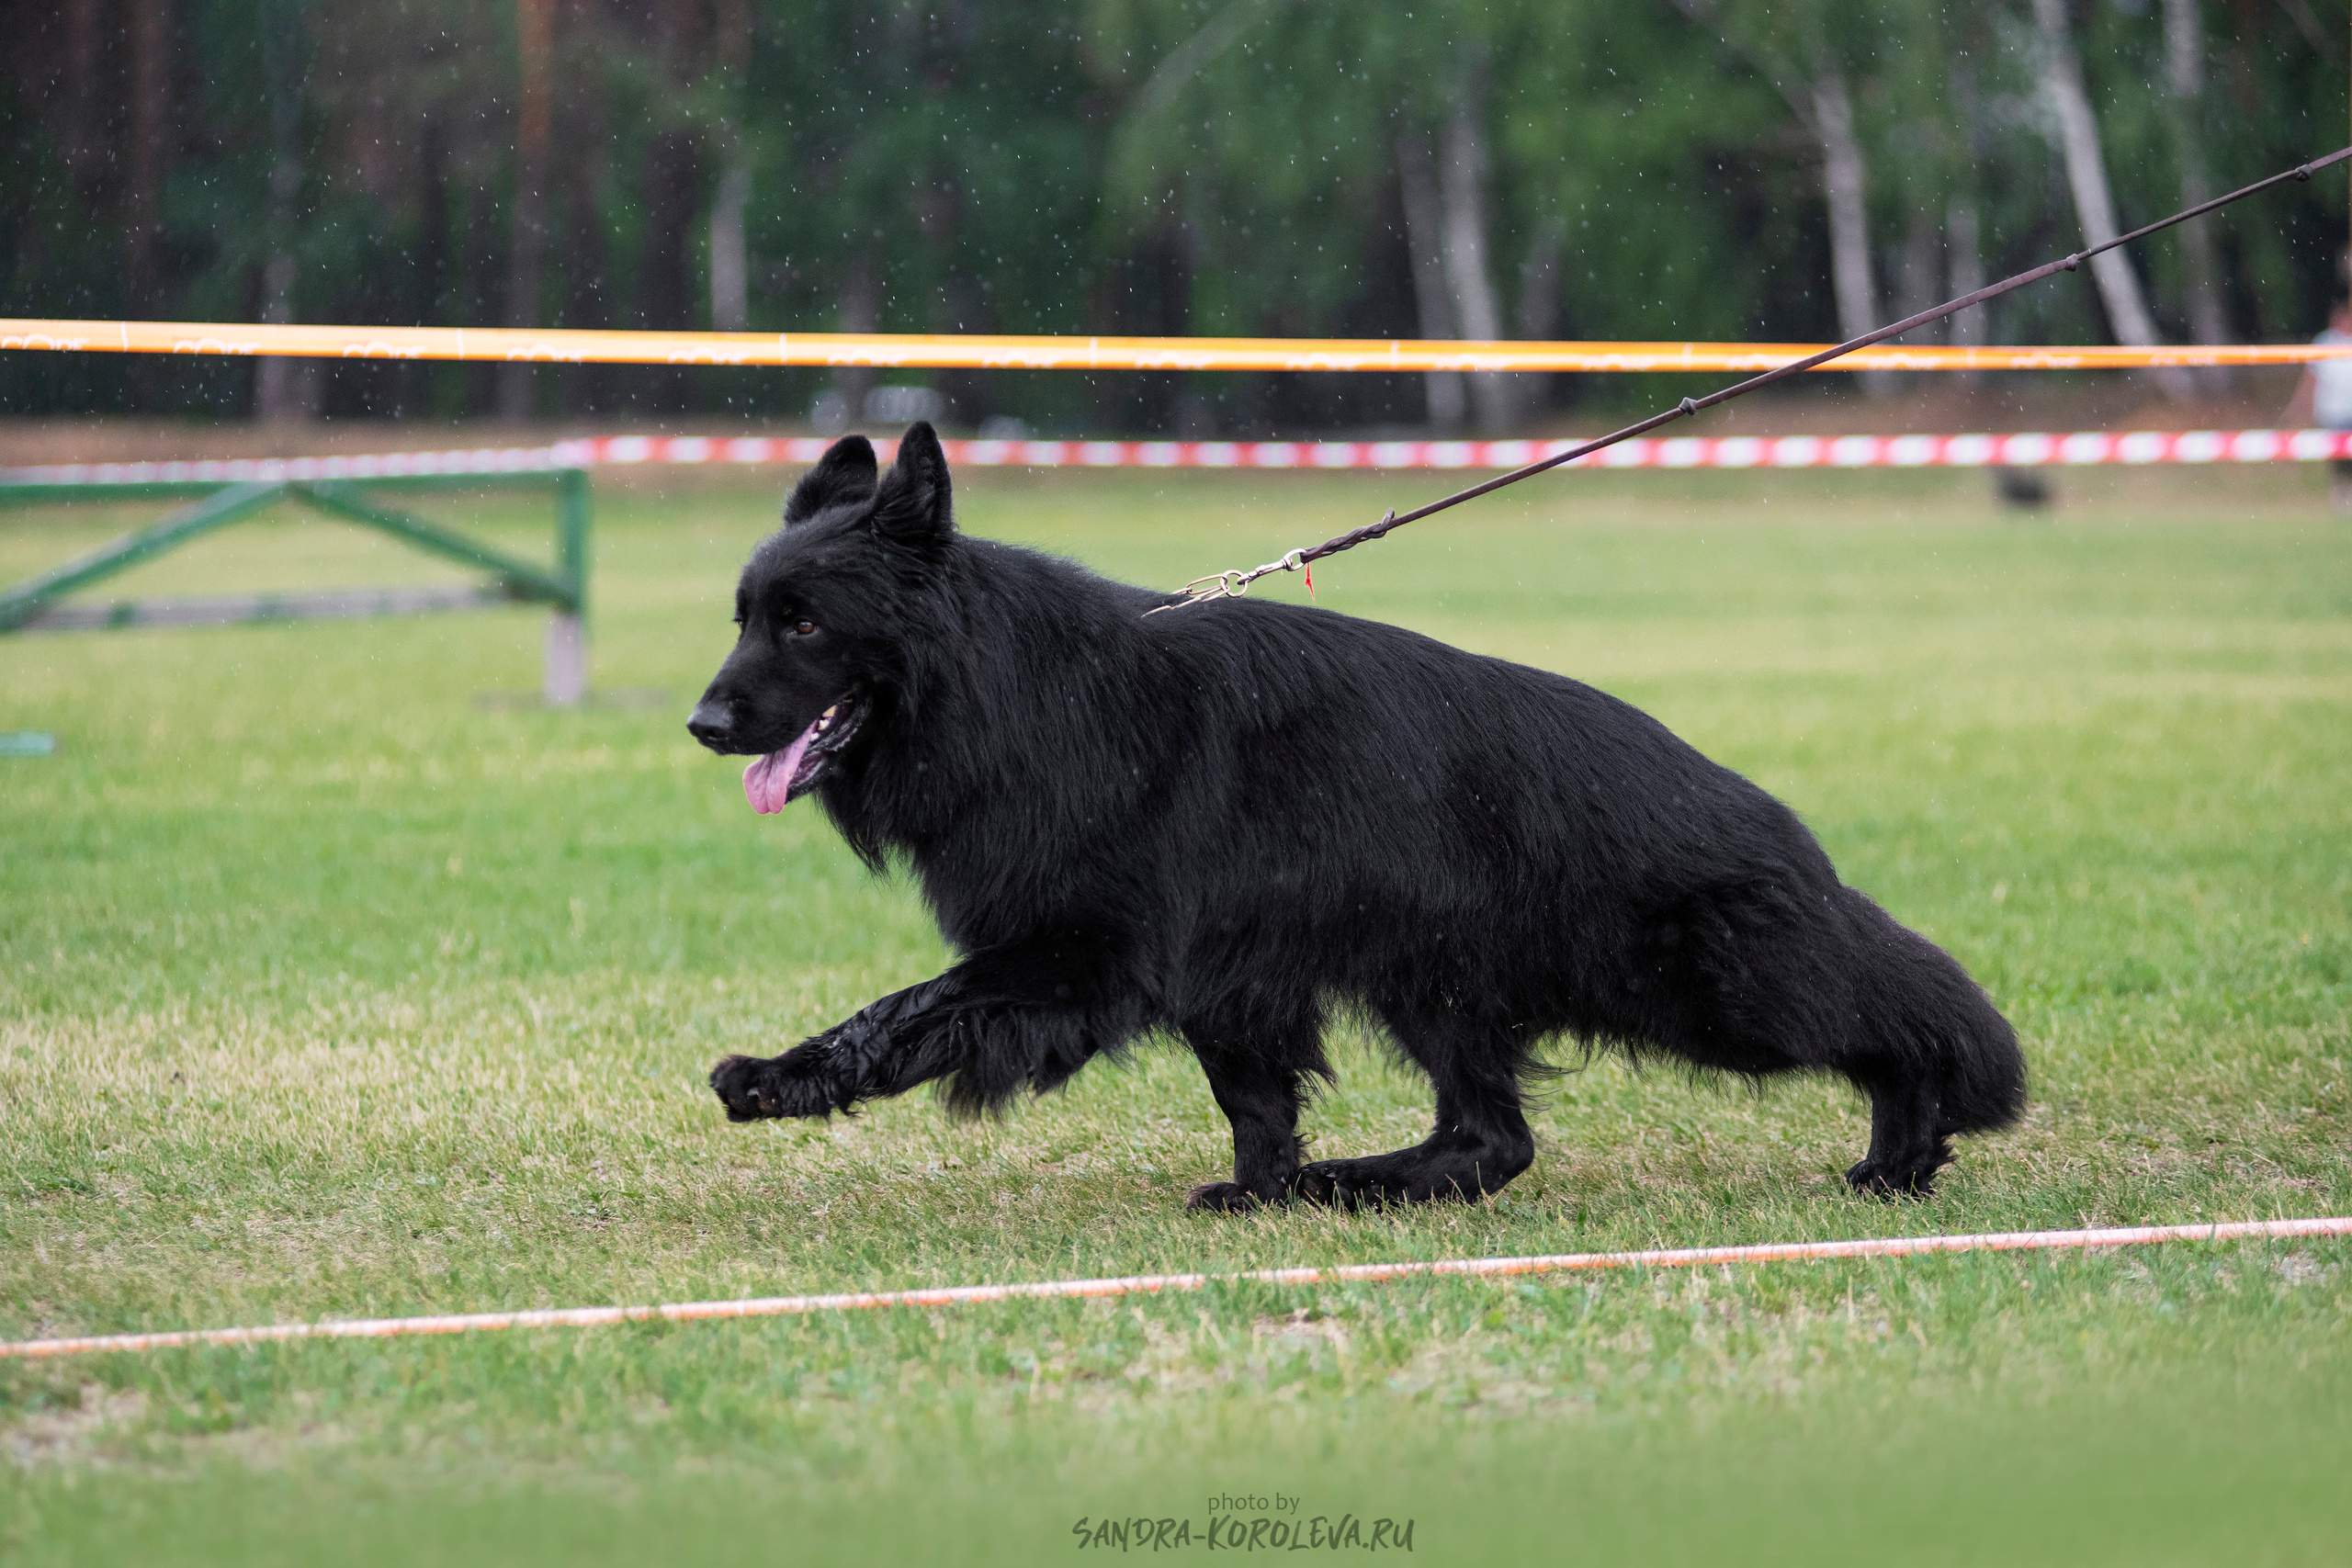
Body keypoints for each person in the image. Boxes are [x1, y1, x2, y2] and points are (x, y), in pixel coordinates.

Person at [2283, 298, 2352, 513]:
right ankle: (2341, 492)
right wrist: (2301, 405)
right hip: (2333, 411)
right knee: (2337, 456)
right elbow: (2310, 378)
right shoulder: (2325, 342)